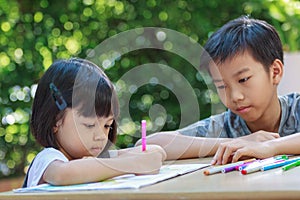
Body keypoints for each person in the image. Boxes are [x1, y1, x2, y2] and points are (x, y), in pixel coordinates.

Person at [136, 16, 300, 165]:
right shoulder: (223, 127)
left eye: (243, 79)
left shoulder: (296, 109)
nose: (235, 96)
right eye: (221, 86)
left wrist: (271, 146)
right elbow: (146, 144)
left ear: (275, 72)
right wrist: (235, 142)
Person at [23, 58, 166, 188]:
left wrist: (147, 155)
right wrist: (134, 163)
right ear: (55, 121)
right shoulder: (49, 158)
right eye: (89, 125)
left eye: (107, 126)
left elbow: (158, 152)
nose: (102, 137)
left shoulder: (94, 158)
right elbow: (62, 174)